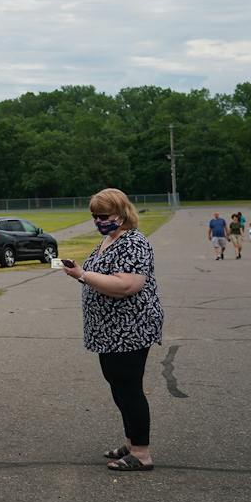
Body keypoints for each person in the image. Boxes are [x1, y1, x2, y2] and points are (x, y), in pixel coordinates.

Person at [59, 188, 164, 471]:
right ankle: (132, 442)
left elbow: (128, 285)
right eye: (94, 216)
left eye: (103, 215)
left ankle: (142, 453)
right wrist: (82, 272)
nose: (98, 221)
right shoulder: (109, 238)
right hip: (108, 330)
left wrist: (82, 274)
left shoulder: (134, 242)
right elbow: (101, 277)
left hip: (130, 328)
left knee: (129, 388)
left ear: (121, 213)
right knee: (118, 386)